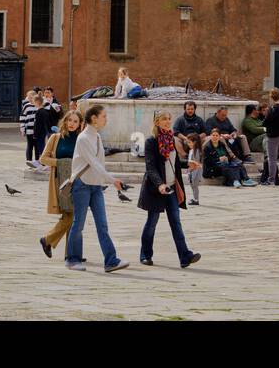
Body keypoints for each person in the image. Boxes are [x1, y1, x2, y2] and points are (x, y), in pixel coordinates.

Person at [64, 104, 128, 272]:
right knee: (79, 224)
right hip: (82, 185)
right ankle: (72, 259)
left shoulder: (97, 137)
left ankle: (111, 261)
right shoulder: (83, 138)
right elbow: (94, 164)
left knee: (102, 224)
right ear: (94, 118)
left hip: (95, 186)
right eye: (103, 116)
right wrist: (112, 180)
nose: (106, 119)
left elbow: (101, 163)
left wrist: (103, 181)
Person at [138, 111, 201, 268]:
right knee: (152, 223)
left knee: (176, 222)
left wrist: (188, 163)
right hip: (156, 189)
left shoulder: (171, 139)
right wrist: (160, 184)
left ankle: (185, 256)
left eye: (169, 119)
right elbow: (151, 167)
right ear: (157, 122)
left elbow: (174, 162)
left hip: (171, 188)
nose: (167, 121)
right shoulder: (151, 141)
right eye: (164, 119)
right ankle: (145, 255)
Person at [39, 109, 83, 259]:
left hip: (78, 181)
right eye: (69, 120)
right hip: (61, 182)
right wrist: (61, 162)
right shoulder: (55, 138)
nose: (72, 124)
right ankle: (47, 240)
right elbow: (43, 159)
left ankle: (69, 253)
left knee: (73, 217)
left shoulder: (81, 139)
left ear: (80, 124)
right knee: (70, 216)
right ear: (65, 121)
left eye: (75, 121)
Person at [33, 89, 62, 160]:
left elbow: (60, 115)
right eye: (45, 92)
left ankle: (44, 162)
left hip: (47, 130)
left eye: (48, 92)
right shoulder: (44, 109)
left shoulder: (54, 104)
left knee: (45, 146)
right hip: (46, 130)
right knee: (46, 146)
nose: (46, 94)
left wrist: (35, 134)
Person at [21, 90, 41, 166]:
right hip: (29, 130)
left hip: (37, 130)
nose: (28, 98)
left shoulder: (38, 106)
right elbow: (22, 117)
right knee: (30, 146)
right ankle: (29, 160)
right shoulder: (26, 106)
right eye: (28, 97)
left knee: (37, 146)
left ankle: (36, 161)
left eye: (30, 97)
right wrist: (22, 129)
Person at [185, 133, 205, 206]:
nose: (188, 144)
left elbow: (197, 163)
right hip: (192, 170)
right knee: (193, 185)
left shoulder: (196, 151)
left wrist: (191, 165)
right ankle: (195, 198)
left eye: (189, 142)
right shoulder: (191, 150)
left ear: (195, 142)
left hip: (196, 170)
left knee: (194, 185)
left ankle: (196, 199)